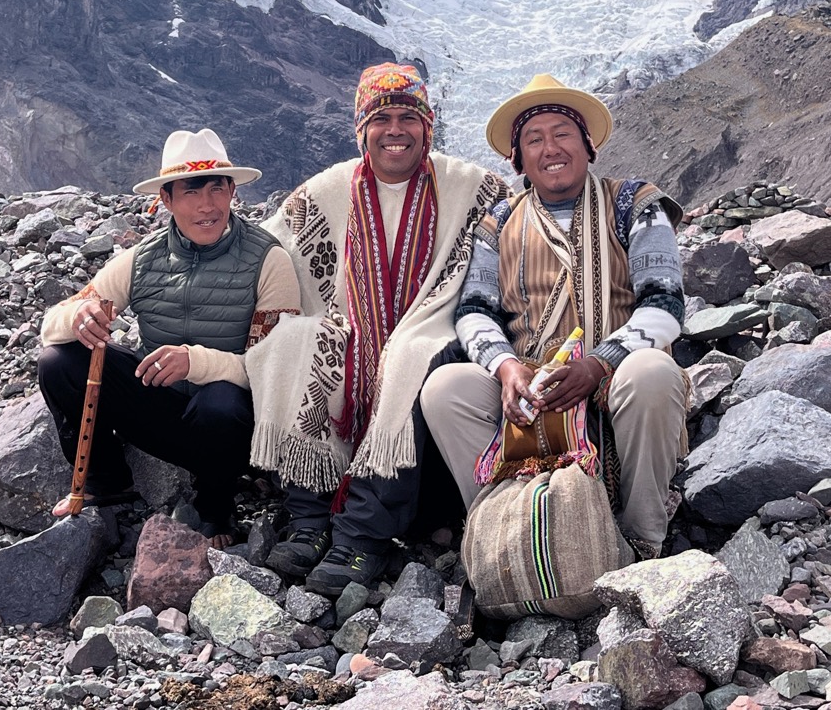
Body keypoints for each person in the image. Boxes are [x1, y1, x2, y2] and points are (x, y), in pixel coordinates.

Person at [247, 63, 508, 595]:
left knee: (411, 351)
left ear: (427, 127)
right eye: (381, 117)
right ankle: (310, 516)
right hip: (351, 335)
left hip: (435, 329)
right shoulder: (327, 191)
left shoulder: (474, 188)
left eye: (408, 118)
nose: (395, 130)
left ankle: (364, 536)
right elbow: (264, 251)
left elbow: (519, 238)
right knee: (295, 341)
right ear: (361, 127)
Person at [420, 73, 689, 559]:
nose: (551, 149)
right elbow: (475, 311)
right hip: (531, 381)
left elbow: (665, 305)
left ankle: (640, 539)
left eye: (563, 133)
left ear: (588, 145)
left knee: (653, 374)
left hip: (615, 373)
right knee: (446, 389)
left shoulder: (634, 203)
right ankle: (501, 535)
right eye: (534, 139)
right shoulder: (497, 222)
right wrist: (506, 368)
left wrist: (597, 365)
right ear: (518, 159)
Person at [37, 128, 300, 548]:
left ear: (233, 191)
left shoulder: (269, 260)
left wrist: (198, 363)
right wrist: (79, 316)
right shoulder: (142, 259)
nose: (207, 205)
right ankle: (107, 482)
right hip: (161, 408)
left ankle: (216, 509)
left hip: (236, 424)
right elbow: (53, 322)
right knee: (59, 362)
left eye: (218, 188)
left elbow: (278, 368)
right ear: (167, 200)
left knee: (220, 401)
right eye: (192, 192)